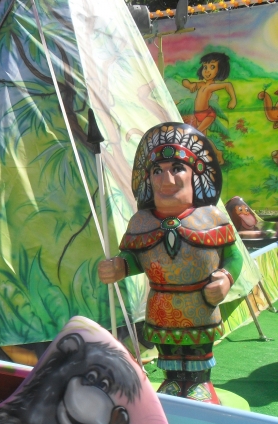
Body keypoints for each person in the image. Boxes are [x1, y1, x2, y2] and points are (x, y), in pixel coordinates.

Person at [98, 122, 243, 405]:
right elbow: (134, 258)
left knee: (198, 348)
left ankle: (199, 382)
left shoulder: (212, 218)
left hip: (200, 304)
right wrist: (120, 267)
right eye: (157, 171)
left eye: (177, 169)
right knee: (168, 348)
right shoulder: (142, 222)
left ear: (195, 174)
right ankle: (174, 380)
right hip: (162, 305)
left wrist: (226, 278)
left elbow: (234, 257)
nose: (166, 179)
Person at [181, 52, 236, 134]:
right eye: (205, 67)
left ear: (220, 70)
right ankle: (208, 143)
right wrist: (190, 85)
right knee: (203, 136)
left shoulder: (211, 87)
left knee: (197, 132)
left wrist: (233, 100)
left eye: (212, 67)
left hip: (208, 114)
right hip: (198, 114)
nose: (207, 71)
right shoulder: (202, 84)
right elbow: (184, 82)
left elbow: (228, 85)